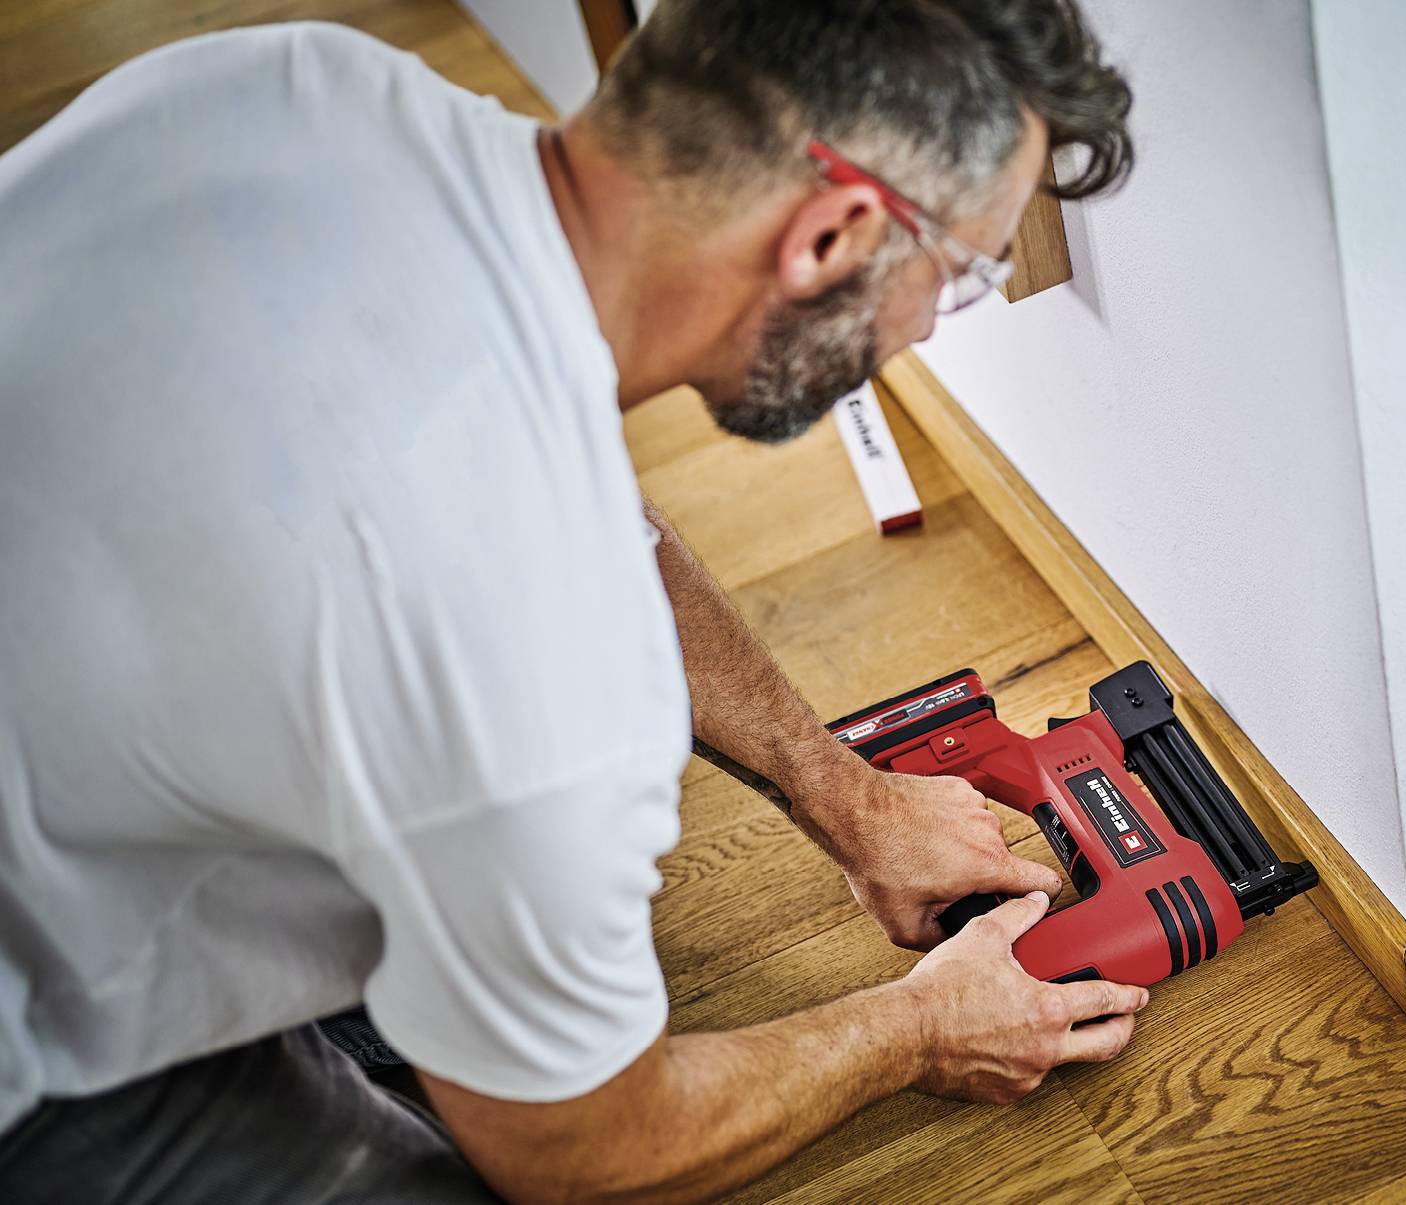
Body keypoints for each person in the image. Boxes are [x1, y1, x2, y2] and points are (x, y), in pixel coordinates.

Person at [0, 1, 1136, 1199]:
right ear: (833, 235)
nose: (920, 325)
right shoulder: (525, 657)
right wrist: (919, 1028)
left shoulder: (301, 86)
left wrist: (838, 790)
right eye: (952, 274)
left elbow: (587, 506)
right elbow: (589, 1149)